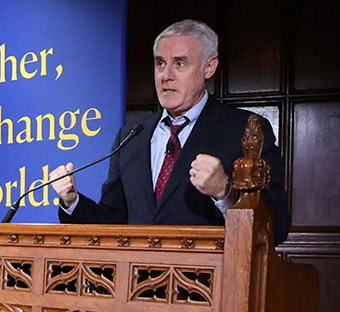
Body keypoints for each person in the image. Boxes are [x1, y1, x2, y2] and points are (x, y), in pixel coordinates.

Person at [51, 19, 289, 244]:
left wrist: (225, 193)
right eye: (160, 63)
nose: (166, 76)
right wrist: (72, 201)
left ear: (209, 67)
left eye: (180, 63)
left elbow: (275, 228)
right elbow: (114, 222)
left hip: (205, 283)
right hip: (136, 282)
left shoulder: (247, 129)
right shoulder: (133, 135)